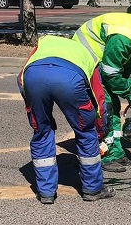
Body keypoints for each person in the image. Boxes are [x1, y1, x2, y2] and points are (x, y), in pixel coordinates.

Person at [18, 35, 114, 204]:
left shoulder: (44, 42)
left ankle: (46, 192)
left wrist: (34, 114)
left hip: (33, 77)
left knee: (42, 131)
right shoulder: (89, 55)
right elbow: (99, 100)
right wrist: (100, 130)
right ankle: (92, 188)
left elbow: (21, 77)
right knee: (85, 132)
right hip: (69, 79)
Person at [72, 12, 131, 173]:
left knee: (113, 107)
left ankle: (116, 151)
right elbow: (110, 73)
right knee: (106, 108)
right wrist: (129, 94)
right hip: (86, 61)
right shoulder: (122, 38)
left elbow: (124, 63)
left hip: (102, 62)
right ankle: (105, 155)